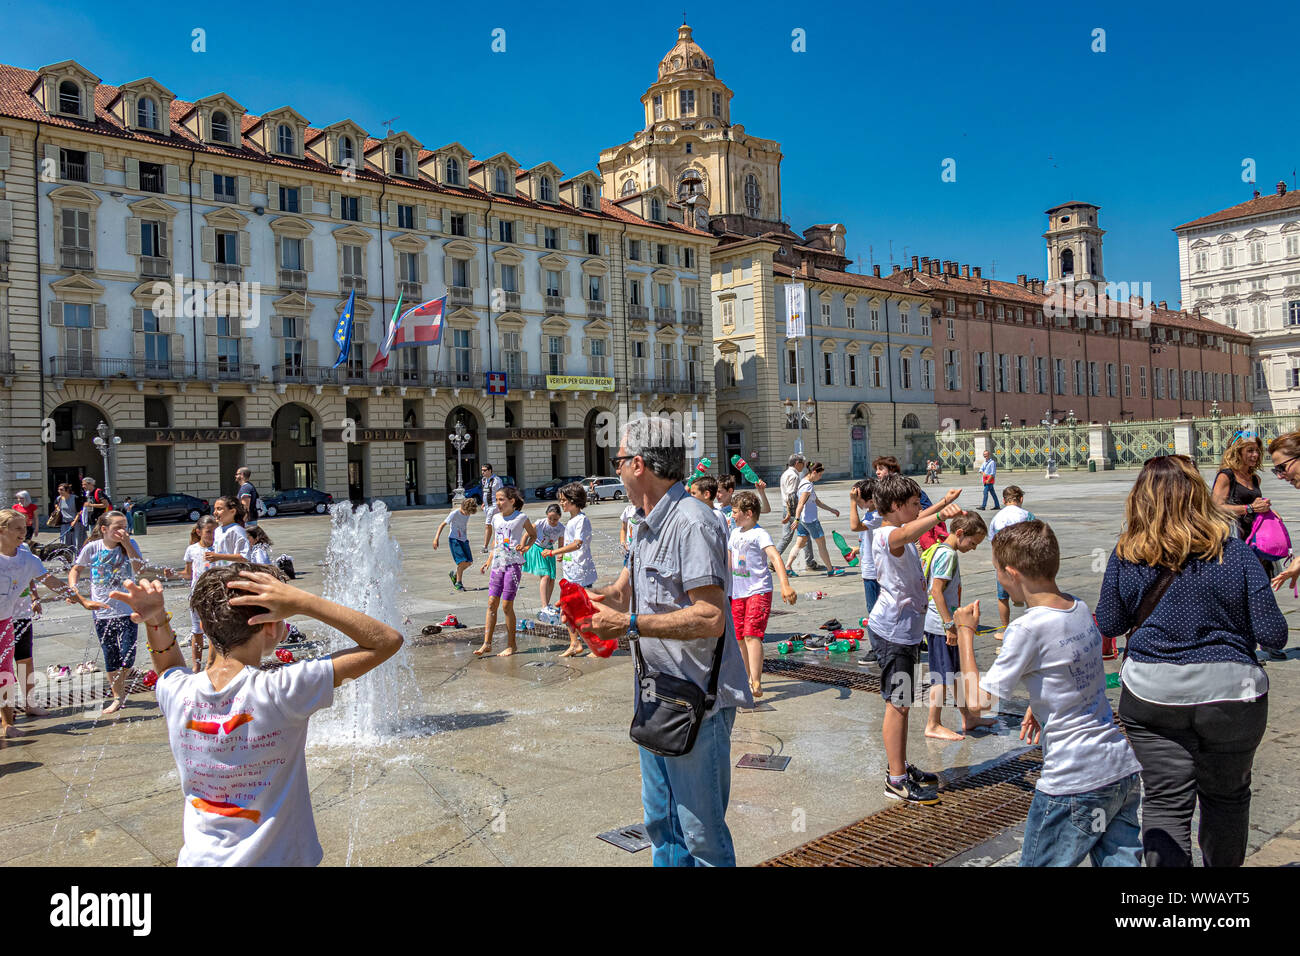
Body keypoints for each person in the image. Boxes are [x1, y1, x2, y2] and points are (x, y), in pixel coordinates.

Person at [111, 565, 402, 865]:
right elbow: (386, 640)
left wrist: (156, 619)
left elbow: (168, 668)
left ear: (208, 628)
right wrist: (303, 601)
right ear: (271, 626)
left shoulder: (177, 693)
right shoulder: (283, 690)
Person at [1095, 455, 1286, 867]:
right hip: (1233, 695)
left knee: (1164, 803)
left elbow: (1109, 622)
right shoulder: (1234, 553)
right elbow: (1274, 634)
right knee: (1227, 798)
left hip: (1153, 694)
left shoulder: (1126, 554)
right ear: (1200, 495)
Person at [584, 416, 753, 866]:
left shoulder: (692, 523)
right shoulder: (644, 522)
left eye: (618, 461)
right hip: (655, 694)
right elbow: (625, 589)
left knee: (701, 835)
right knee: (662, 825)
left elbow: (712, 617)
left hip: (698, 701)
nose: (615, 470)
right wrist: (598, 599)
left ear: (638, 464)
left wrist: (630, 625)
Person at [968, 519, 1143, 867]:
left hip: (1073, 780)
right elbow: (1076, 670)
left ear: (1012, 573)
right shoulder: (1077, 607)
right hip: (1119, 769)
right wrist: (1040, 701)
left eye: (997, 572)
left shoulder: (1026, 627)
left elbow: (977, 703)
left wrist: (963, 634)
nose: (998, 579)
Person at [869, 475, 963, 803]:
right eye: (911, 504)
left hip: (904, 632)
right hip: (894, 633)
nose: (917, 509)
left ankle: (900, 764)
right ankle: (895, 780)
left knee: (903, 703)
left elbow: (916, 521)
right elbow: (910, 529)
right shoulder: (887, 536)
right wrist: (941, 516)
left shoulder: (898, 526)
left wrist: (941, 505)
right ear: (895, 507)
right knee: (898, 705)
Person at [0, 509, 100, 733]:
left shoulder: (28, 559)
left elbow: (51, 581)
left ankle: (8, 724)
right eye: (17, 528)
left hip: (5, 622)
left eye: (24, 528)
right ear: (1, 531)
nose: (23, 532)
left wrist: (82, 601)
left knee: (5, 674)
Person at [69, 510, 147, 717]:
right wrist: (74, 590)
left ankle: (122, 681)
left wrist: (128, 544)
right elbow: (75, 570)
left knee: (128, 656)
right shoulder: (92, 548)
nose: (123, 531)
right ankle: (117, 697)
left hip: (128, 609)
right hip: (102, 611)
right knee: (110, 655)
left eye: (125, 527)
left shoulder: (129, 546)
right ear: (104, 529)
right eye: (117, 528)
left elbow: (139, 569)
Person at [922, 510, 990, 739]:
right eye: (973, 542)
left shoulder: (943, 550)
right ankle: (933, 724)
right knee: (941, 676)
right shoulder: (948, 555)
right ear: (960, 533)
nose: (974, 547)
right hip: (940, 625)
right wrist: (949, 625)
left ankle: (968, 717)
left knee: (955, 674)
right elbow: (936, 591)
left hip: (942, 623)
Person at [727, 490, 797, 698]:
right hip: (738, 592)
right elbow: (728, 562)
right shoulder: (734, 533)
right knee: (740, 638)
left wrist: (785, 585)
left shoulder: (760, 534)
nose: (732, 515)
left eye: (735, 512)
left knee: (752, 634)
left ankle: (756, 680)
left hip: (759, 590)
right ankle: (747, 677)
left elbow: (775, 558)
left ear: (748, 513)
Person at [475, 486, 535, 658]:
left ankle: (511, 645)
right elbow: (497, 541)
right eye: (497, 499)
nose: (498, 503)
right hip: (497, 565)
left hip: (513, 565)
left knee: (506, 606)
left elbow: (533, 534)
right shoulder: (495, 518)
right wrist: (488, 561)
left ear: (512, 501)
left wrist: (525, 547)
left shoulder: (521, 517)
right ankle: (487, 643)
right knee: (491, 603)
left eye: (501, 499)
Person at [545, 483, 597, 658]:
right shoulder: (572, 520)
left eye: (564, 500)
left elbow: (577, 544)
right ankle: (575, 643)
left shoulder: (582, 520)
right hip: (570, 573)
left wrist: (554, 552)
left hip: (581, 574)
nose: (562, 503)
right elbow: (571, 546)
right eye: (561, 500)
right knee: (566, 612)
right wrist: (563, 556)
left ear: (574, 501)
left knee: (582, 612)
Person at [988, 485, 1036, 639]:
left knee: (1002, 598)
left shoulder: (997, 518)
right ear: (1020, 499)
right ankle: (1033, 628)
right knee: (1030, 595)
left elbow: (993, 542)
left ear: (1003, 500)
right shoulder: (1028, 516)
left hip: (1003, 563)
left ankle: (1005, 629)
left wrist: (997, 564)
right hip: (1023, 562)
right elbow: (1035, 540)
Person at [785, 462, 844, 577]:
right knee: (822, 544)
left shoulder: (804, 482)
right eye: (820, 475)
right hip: (810, 520)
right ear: (814, 472)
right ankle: (830, 570)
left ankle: (787, 567)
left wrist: (831, 510)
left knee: (799, 544)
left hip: (803, 520)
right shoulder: (808, 486)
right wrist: (796, 519)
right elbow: (801, 503)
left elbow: (817, 501)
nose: (820, 477)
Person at [848, 480, 882, 662]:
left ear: (869, 500)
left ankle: (878, 649)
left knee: (874, 612)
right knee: (877, 611)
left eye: (860, 500)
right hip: (871, 568)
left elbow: (855, 526)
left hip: (873, 572)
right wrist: (857, 548)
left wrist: (852, 502)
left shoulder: (875, 515)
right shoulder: (872, 514)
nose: (858, 504)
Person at [183, 517, 218, 672]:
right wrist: (172, 574)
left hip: (214, 594)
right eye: (209, 531)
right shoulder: (192, 549)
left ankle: (210, 663)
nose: (212, 535)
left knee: (212, 630)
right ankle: (196, 664)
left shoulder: (219, 549)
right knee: (197, 631)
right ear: (199, 532)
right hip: (196, 594)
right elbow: (188, 573)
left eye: (215, 531)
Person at [776, 455, 821, 573]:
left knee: (788, 536)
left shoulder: (785, 473)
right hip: (792, 509)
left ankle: (773, 560)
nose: (803, 466)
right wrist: (792, 514)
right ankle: (810, 562)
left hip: (787, 508)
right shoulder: (793, 475)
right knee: (804, 535)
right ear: (797, 463)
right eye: (802, 463)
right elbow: (791, 496)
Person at [433, 497, 479, 591]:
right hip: (454, 540)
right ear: (464, 508)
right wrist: (436, 538)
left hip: (464, 539)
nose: (468, 514)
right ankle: (458, 583)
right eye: (468, 512)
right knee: (462, 562)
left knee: (469, 562)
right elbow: (442, 525)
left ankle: (455, 574)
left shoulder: (468, 513)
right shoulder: (454, 513)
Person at [524, 503, 565, 609]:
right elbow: (526, 534)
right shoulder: (540, 523)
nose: (552, 521)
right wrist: (523, 549)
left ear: (559, 517)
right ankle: (544, 606)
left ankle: (547, 603)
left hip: (549, 551)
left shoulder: (561, 528)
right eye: (550, 518)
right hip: (537, 549)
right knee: (545, 576)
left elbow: (561, 545)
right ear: (546, 515)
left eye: (555, 519)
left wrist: (560, 554)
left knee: (552, 578)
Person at [206, 496, 251, 567]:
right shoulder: (218, 530)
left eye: (219, 509)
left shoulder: (237, 530)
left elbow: (245, 557)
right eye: (214, 509)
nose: (215, 513)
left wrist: (218, 556)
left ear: (232, 511)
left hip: (234, 574)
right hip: (221, 573)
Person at [479, 464, 504, 554]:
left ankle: (485, 546)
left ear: (490, 470)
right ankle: (499, 543)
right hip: (487, 507)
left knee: (488, 525)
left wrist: (500, 505)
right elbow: (486, 492)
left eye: (485, 470)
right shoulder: (484, 480)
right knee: (495, 525)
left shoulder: (496, 480)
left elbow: (501, 493)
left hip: (494, 506)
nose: (483, 472)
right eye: (482, 470)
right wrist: (483, 503)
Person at [54, 484, 80, 550]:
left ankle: (77, 558)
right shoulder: (59, 498)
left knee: (75, 543)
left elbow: (79, 512)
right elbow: (55, 504)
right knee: (64, 543)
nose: (59, 491)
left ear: (67, 490)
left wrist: (74, 521)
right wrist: (57, 508)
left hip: (74, 524)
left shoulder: (75, 498)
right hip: (64, 524)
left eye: (61, 490)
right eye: (58, 489)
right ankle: (67, 558)